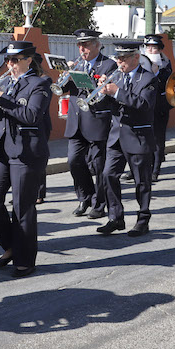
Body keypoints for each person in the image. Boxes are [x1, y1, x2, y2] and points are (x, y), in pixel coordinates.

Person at [0, 41, 52, 278]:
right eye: (7, 61)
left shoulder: (40, 84)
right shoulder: (6, 83)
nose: (9, 65)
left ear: (28, 60)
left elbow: (31, 115)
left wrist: (0, 98)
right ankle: (10, 246)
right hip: (1, 147)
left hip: (26, 151)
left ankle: (25, 259)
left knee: (22, 207)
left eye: (14, 60)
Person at [99, 40, 158, 236]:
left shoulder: (148, 78)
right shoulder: (118, 77)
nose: (119, 61)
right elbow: (111, 105)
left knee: (141, 181)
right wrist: (103, 93)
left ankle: (143, 219)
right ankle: (115, 217)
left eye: (123, 58)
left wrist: (116, 92)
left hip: (138, 135)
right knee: (108, 175)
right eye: (118, 57)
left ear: (136, 57)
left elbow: (143, 104)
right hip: (116, 136)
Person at [62, 29, 116, 219]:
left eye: (85, 45)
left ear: (96, 45)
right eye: (79, 45)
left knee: (99, 165)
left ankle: (99, 204)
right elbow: (62, 91)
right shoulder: (77, 64)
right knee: (73, 161)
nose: (81, 49)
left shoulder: (108, 65)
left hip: (97, 120)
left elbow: (107, 94)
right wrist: (66, 75)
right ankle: (85, 197)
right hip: (76, 121)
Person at [143, 34, 174, 183]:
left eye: (154, 48)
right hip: (144, 107)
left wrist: (155, 72)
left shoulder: (165, 65)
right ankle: (143, 167)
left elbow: (166, 85)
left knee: (157, 139)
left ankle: (155, 169)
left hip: (159, 106)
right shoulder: (141, 63)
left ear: (160, 50)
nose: (150, 50)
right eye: (148, 47)